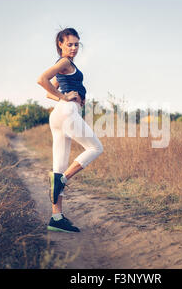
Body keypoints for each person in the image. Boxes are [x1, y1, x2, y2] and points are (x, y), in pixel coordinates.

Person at [37, 28, 104, 233]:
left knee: (59, 166)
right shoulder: (64, 62)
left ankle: (56, 218)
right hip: (66, 112)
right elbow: (42, 80)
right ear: (60, 44)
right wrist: (66, 97)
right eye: (69, 44)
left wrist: (60, 96)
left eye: (76, 44)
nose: (73, 48)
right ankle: (63, 179)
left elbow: (49, 93)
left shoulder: (66, 67)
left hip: (58, 115)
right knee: (96, 148)